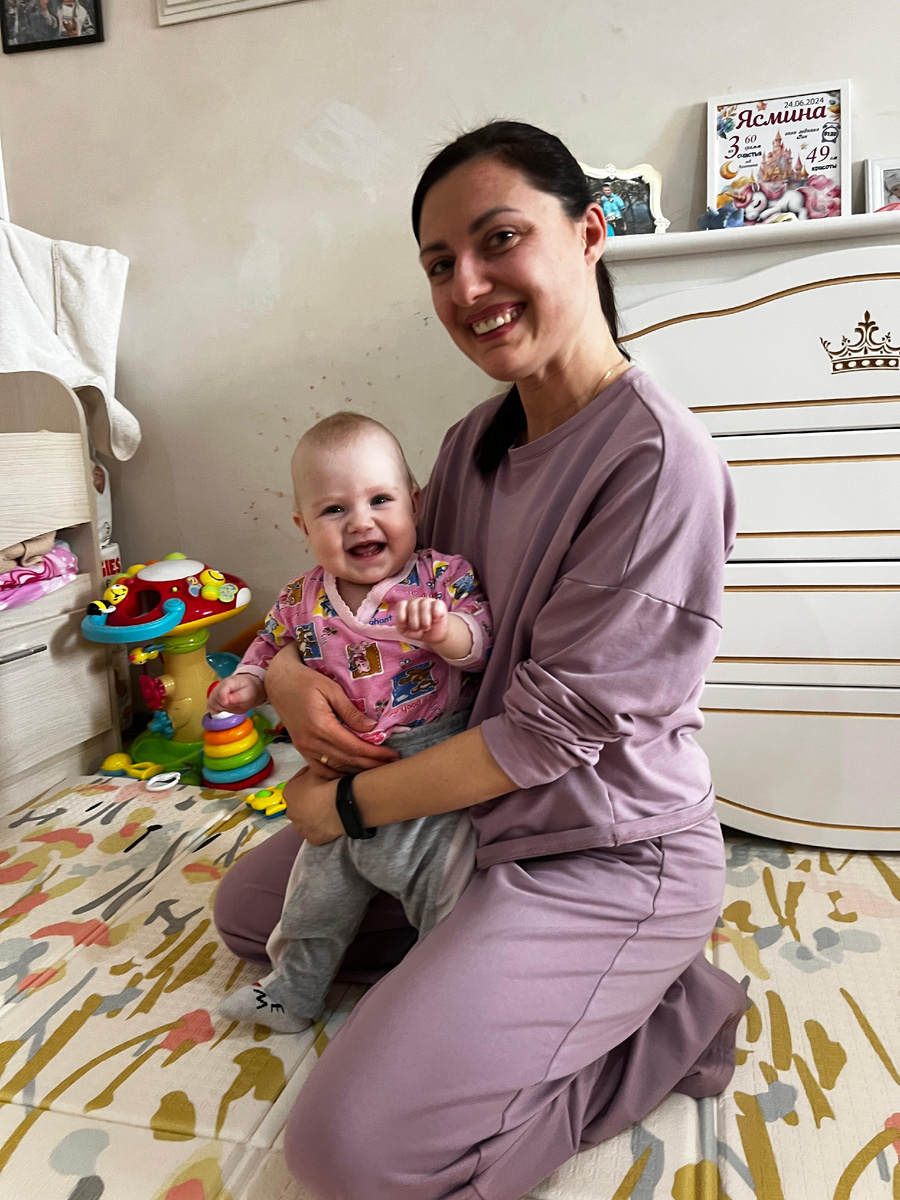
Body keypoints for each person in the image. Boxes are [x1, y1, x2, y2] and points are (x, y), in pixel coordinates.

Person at [214, 120, 748, 1199]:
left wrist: (345, 807)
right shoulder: (471, 444)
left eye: (500, 239)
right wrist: (288, 678)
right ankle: (494, 991)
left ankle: (670, 1017)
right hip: (469, 817)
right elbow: (365, 597)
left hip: (603, 849)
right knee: (249, 917)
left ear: (589, 234)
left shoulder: (657, 463)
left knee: (348, 1155)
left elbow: (549, 736)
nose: (468, 286)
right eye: (439, 263)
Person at [211, 413, 492, 1032]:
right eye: (334, 510)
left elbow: (482, 642)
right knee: (313, 895)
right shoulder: (300, 597)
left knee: (446, 885)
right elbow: (268, 647)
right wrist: (248, 684)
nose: (361, 522)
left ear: (414, 503)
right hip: (341, 769)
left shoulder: (440, 576)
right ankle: (292, 990)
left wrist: (445, 632)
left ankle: (439, 990)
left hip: (433, 764)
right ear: (304, 526)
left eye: (380, 500)